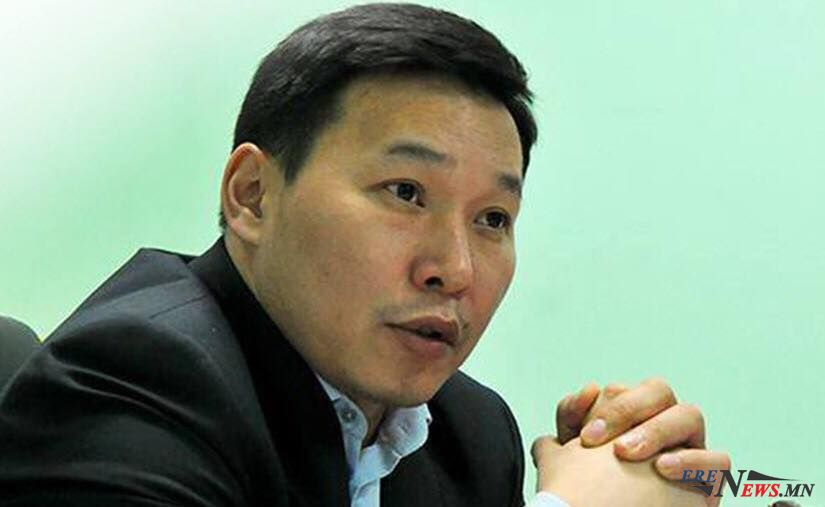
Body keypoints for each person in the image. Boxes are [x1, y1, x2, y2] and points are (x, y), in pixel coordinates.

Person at [0, 4, 730, 506]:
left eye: (493, 219)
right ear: (252, 196)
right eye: (406, 192)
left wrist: (642, 471)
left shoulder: (470, 435)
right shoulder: (132, 382)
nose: (455, 268)